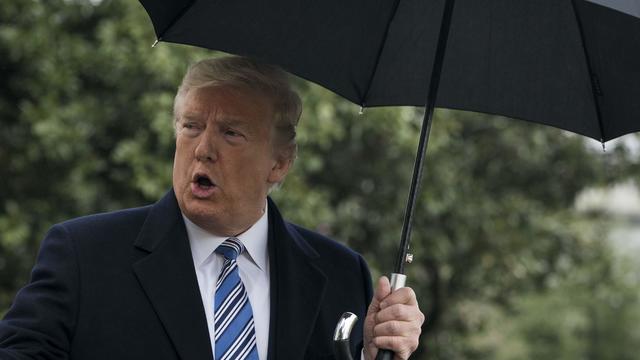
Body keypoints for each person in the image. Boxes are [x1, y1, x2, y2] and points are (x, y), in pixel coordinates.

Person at [0, 56, 424, 359]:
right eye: (192, 126)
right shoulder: (83, 254)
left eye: (231, 133)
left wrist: (378, 356)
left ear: (279, 162)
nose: (202, 149)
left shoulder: (341, 274)